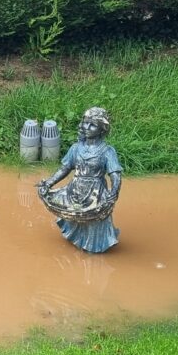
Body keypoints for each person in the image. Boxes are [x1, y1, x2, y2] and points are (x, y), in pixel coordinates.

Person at [35, 107, 123, 253]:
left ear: (102, 129)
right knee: (75, 217)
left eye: (93, 124)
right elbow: (64, 169)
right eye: (85, 123)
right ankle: (78, 243)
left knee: (96, 221)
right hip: (75, 191)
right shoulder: (76, 148)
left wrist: (114, 192)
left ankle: (95, 250)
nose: (87, 127)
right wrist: (49, 183)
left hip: (96, 194)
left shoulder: (107, 151)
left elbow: (115, 174)